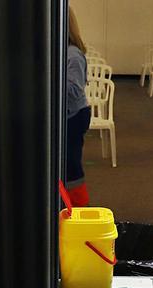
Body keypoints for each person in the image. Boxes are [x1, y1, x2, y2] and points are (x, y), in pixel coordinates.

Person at [64, 6, 91, 206]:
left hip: (74, 116)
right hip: (70, 114)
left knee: (72, 165)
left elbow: (73, 89)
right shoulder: (64, 52)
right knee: (67, 164)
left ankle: (80, 209)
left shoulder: (73, 54)